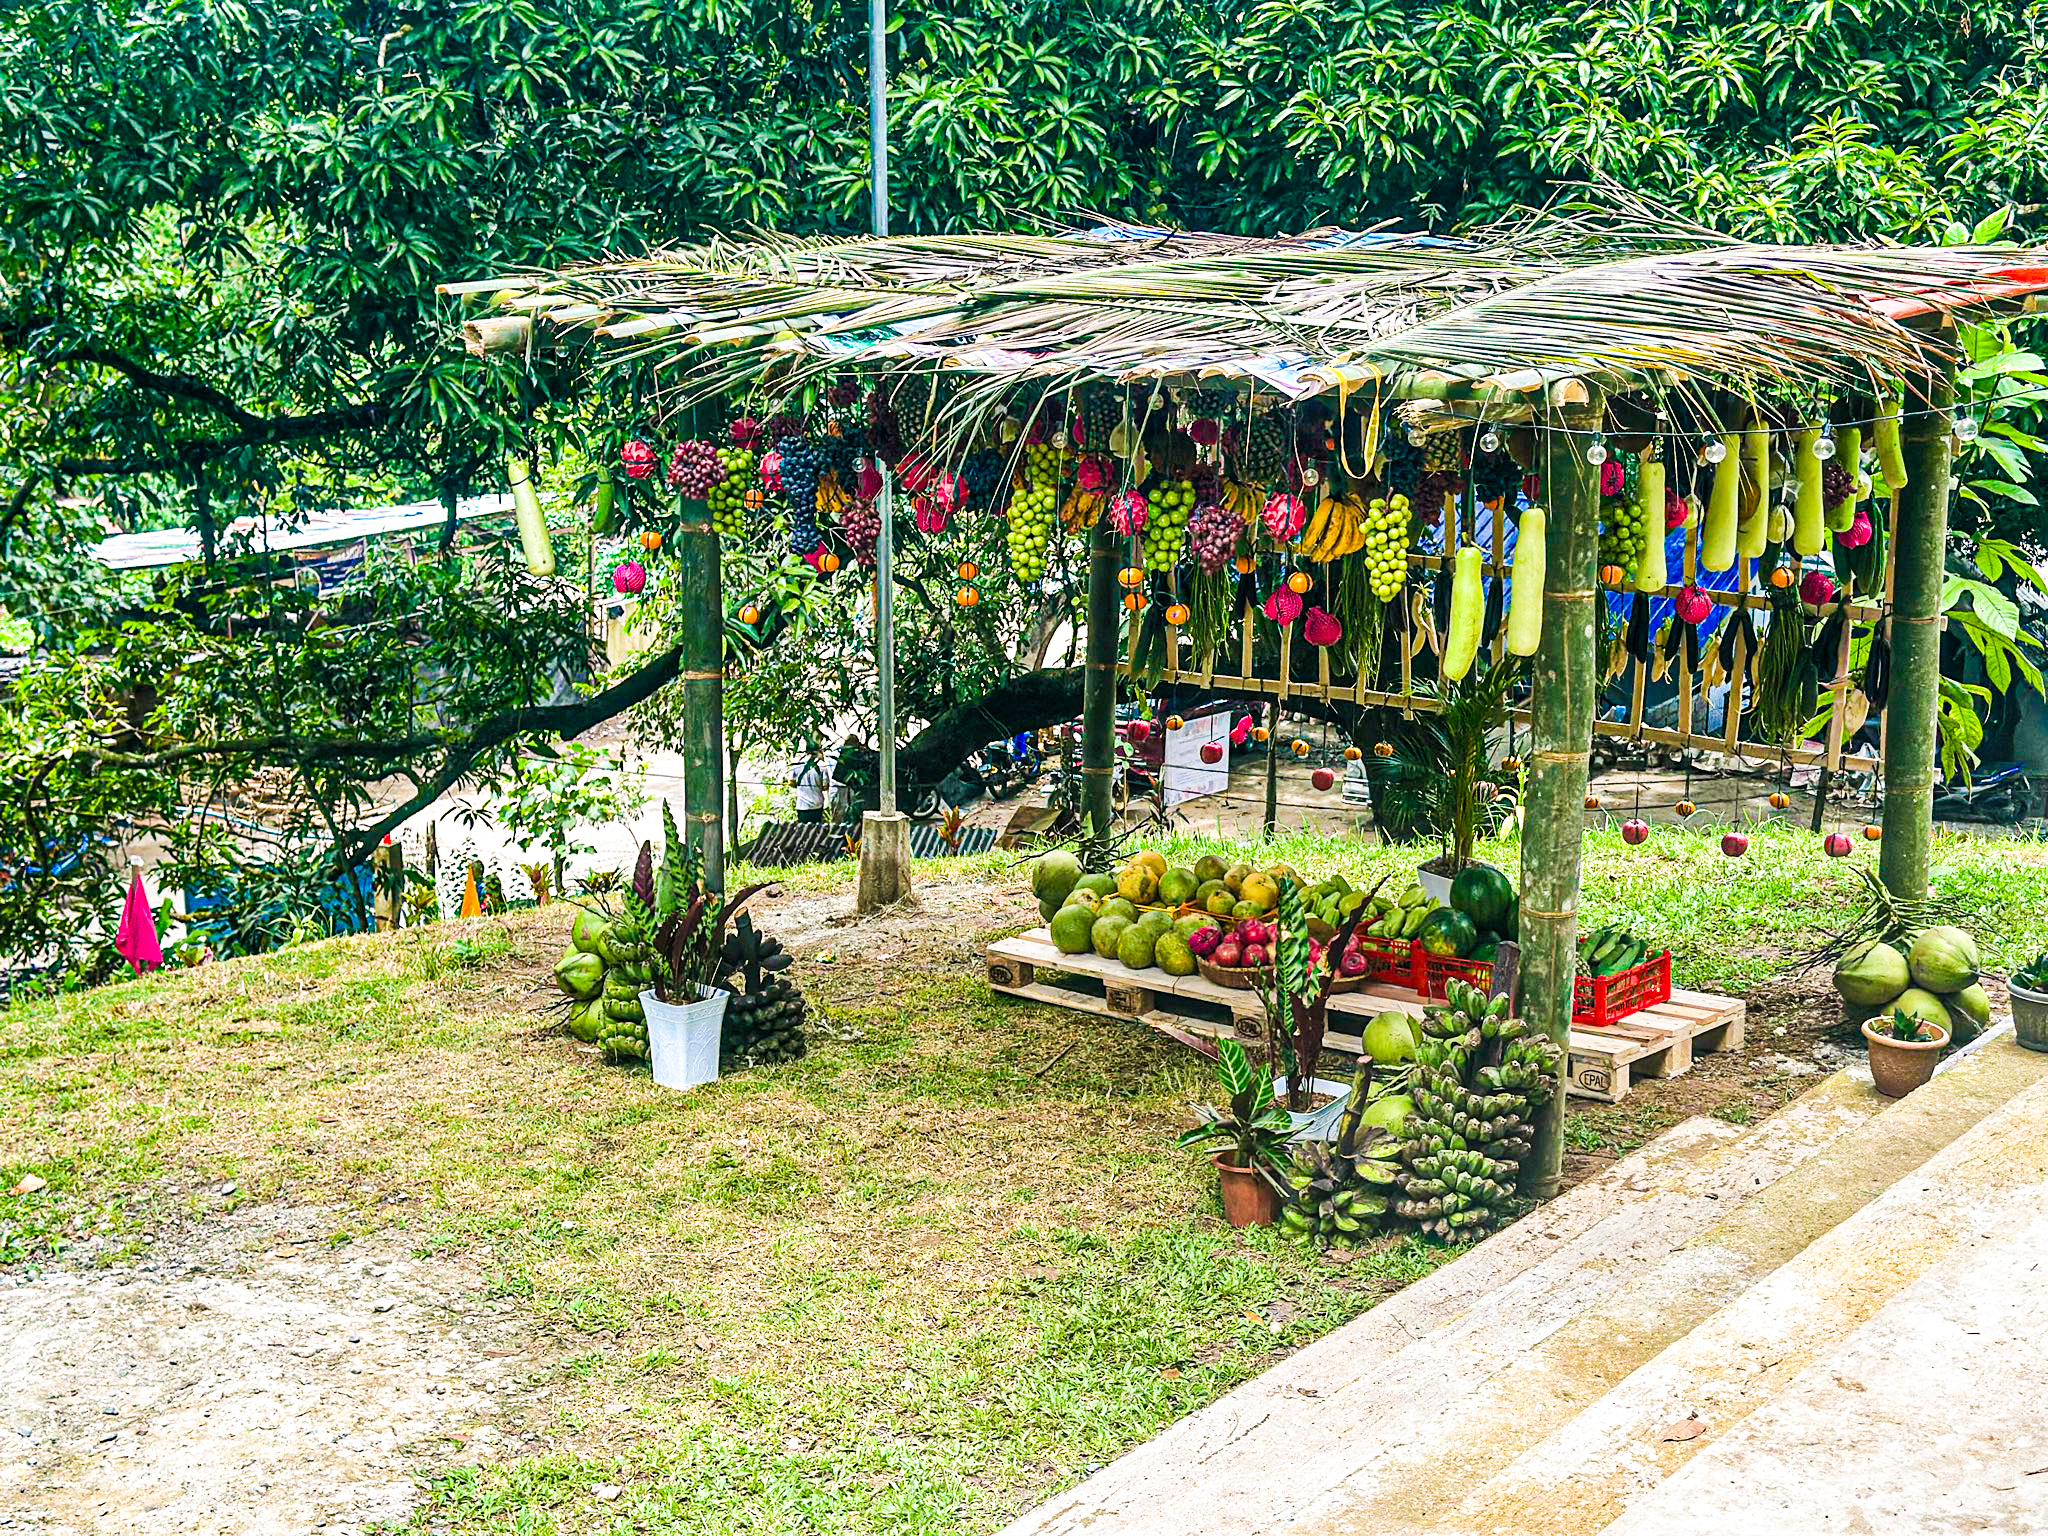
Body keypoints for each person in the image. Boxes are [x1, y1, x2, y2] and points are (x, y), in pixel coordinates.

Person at [791, 740, 829, 825]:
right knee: (816, 831)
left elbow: (791, 782)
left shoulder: (798, 763)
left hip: (802, 805)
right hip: (817, 804)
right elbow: (825, 786)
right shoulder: (822, 765)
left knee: (803, 831)